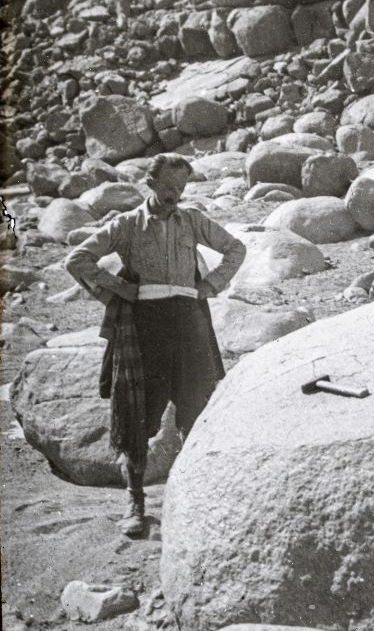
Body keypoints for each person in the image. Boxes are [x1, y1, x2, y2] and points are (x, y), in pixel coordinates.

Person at [65, 153, 246, 537]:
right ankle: (136, 503)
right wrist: (119, 288)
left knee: (196, 409)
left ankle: (196, 497)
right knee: (138, 416)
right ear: (150, 183)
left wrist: (210, 286)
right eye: (168, 187)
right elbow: (78, 259)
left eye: (181, 189)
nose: (175, 195)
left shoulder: (193, 220)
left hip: (189, 322)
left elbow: (236, 249)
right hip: (145, 326)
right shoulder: (128, 225)